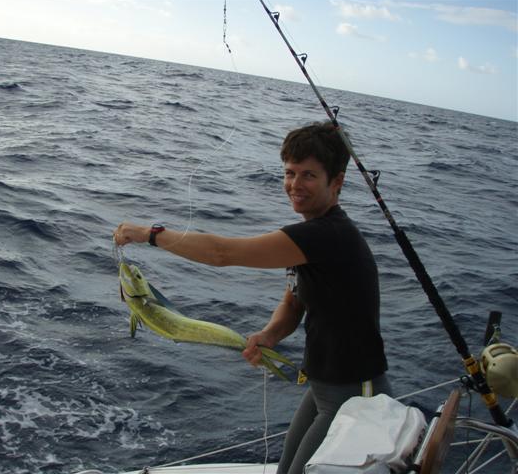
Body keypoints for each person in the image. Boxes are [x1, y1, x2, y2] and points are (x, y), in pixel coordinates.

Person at [113, 121, 391, 474]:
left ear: (336, 182)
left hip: (354, 392)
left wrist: (148, 234)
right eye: (289, 173)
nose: (295, 184)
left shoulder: (328, 235)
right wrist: (270, 335)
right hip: (324, 386)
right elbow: (293, 302)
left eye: (308, 175)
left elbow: (221, 254)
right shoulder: (311, 237)